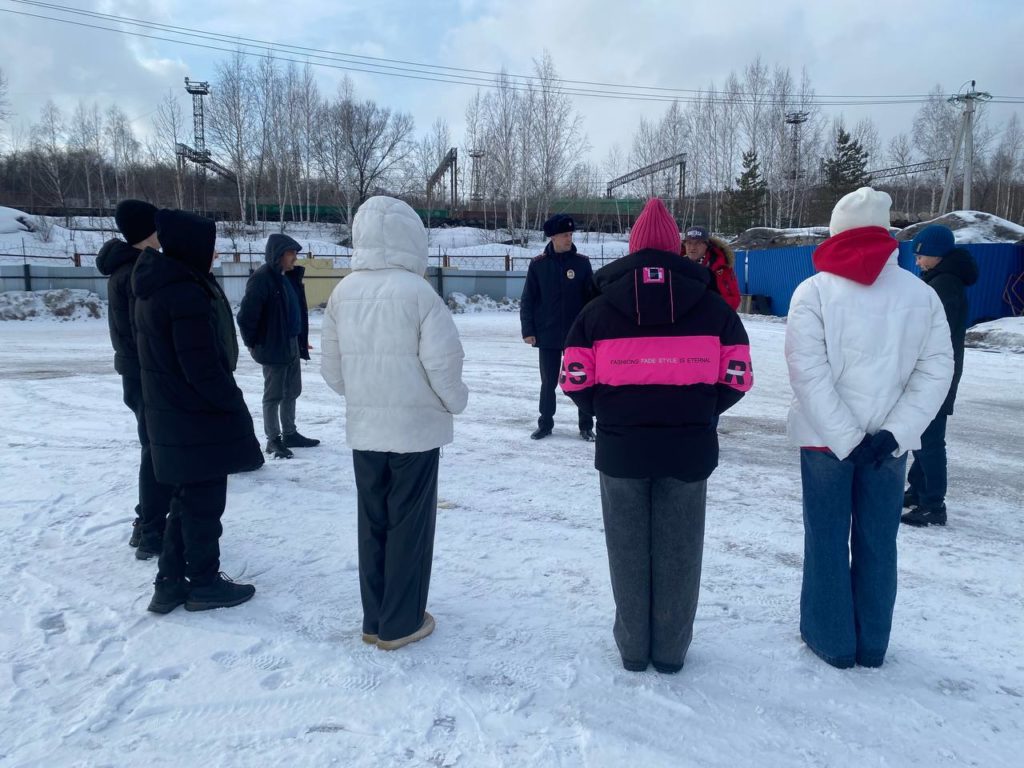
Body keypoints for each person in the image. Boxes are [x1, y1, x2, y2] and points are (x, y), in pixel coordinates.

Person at [560, 198, 753, 673]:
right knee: (681, 550)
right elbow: (739, 376)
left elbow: (574, 379)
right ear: (676, 247)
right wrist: (702, 411)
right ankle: (670, 651)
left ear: (631, 247)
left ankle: (632, 649)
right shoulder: (714, 308)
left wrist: (609, 413)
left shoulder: (597, 310)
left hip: (622, 448)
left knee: (626, 549)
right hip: (690, 448)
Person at [785, 187, 953, 669]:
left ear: (838, 232)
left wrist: (846, 437)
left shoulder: (813, 292)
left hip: (824, 442)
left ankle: (831, 640)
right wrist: (893, 434)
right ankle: (872, 643)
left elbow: (807, 372)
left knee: (827, 539)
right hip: (888, 447)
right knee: (880, 542)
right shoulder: (922, 295)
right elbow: (937, 369)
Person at [321, 196, 468, 651]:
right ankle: (401, 621)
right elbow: (444, 365)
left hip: (366, 430)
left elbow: (332, 371)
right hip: (415, 433)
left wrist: (365, 396)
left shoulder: (343, 292)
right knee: (410, 524)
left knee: (373, 521)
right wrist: (455, 403)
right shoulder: (419, 293)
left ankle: (374, 617)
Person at [133, 209, 265, 613]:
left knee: (185, 501)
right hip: (195, 418)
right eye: (211, 246)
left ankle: (169, 583)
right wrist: (231, 404)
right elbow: (202, 367)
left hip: (173, 413)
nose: (215, 253)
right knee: (204, 505)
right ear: (194, 247)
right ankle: (203, 582)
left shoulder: (158, 285)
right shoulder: (183, 293)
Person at [96, 199, 172, 560]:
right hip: (144, 372)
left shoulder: (126, 268)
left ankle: (147, 522)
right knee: (156, 450)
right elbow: (147, 330)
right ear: (148, 232)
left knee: (152, 447)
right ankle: (151, 530)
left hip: (135, 372)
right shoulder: (137, 271)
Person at [902, 225, 979, 527]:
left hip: (937, 370)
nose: (918, 261)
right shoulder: (942, 278)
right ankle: (917, 490)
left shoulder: (944, 283)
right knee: (921, 432)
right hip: (938, 368)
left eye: (921, 255)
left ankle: (934, 504)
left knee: (929, 438)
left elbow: (932, 331)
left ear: (936, 254)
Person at [238, 234, 319, 460]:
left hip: (291, 342)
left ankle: (290, 433)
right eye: (291, 253)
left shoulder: (287, 277)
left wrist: (300, 340)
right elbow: (246, 317)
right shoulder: (262, 278)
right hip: (273, 347)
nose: (295, 257)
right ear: (279, 254)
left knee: (292, 391)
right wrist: (255, 345)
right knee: (273, 395)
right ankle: (273, 440)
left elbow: (295, 312)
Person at [520, 213, 596, 441]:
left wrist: (592, 330)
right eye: (565, 235)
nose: (569, 239)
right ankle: (545, 423)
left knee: (582, 379)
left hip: (577, 336)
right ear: (552, 237)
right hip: (548, 334)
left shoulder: (582, 263)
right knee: (548, 382)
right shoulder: (538, 265)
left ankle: (585, 426)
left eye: (571, 234)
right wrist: (528, 330)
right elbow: (528, 300)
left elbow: (591, 299)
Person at [682, 226, 741, 310]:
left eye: (698, 243)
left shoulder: (719, 267)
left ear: (707, 245)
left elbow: (733, 299)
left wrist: (710, 307)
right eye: (689, 243)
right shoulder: (677, 264)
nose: (692, 247)